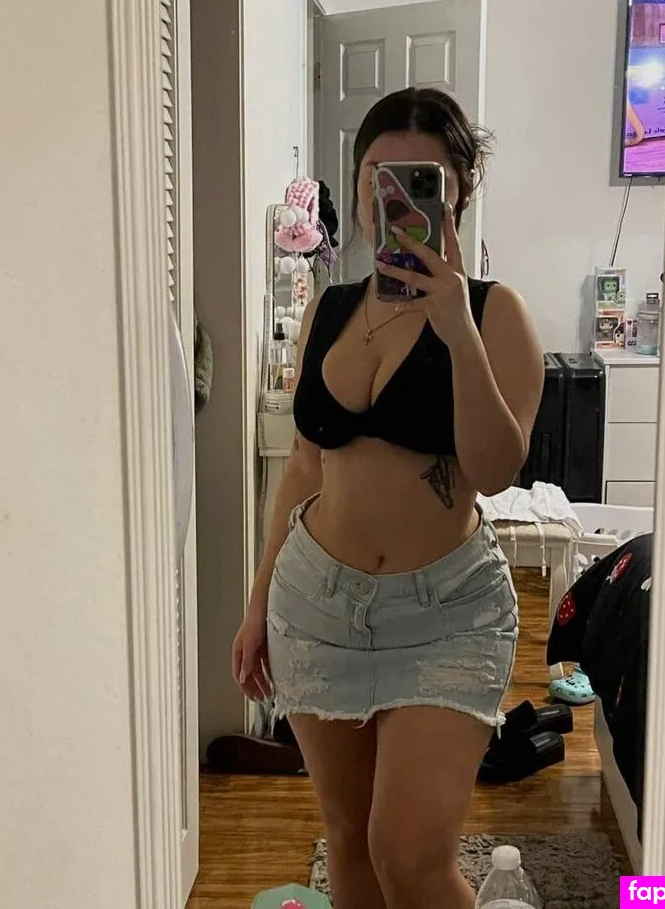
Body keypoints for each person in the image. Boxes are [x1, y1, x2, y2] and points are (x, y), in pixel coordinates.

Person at [232, 88, 544, 909]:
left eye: (418, 179)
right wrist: (259, 601)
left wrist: (456, 328)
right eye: (376, 175)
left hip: (447, 614)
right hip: (316, 605)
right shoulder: (330, 309)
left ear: (458, 192)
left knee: (409, 855)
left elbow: (495, 470)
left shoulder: (495, 313)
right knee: (348, 841)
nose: (390, 197)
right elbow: (305, 467)